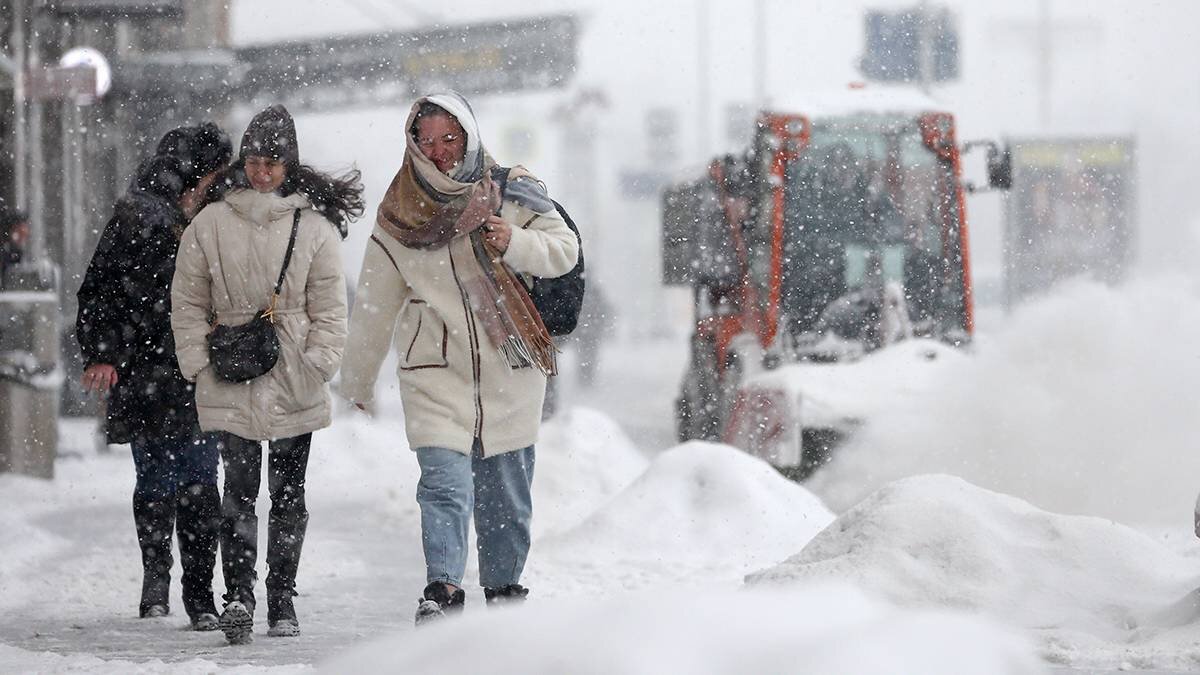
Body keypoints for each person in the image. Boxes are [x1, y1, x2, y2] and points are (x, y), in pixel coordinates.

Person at [340, 92, 578, 625]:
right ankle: (442, 590)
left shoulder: (511, 191)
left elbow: (564, 250)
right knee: (443, 486)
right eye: (426, 142)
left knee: (505, 497)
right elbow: (377, 302)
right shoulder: (399, 211)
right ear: (412, 145)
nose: (440, 153)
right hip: (434, 369)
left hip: (510, 364)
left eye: (450, 139)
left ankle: (503, 592)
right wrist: (356, 379)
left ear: (469, 137)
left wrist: (513, 239)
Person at [171, 104, 361, 644]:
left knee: (288, 495)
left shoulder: (316, 228)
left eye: (273, 162)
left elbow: (331, 307)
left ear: (289, 166)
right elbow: (186, 300)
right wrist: (197, 363)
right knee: (238, 492)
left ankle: (281, 598)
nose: (261, 171)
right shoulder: (209, 224)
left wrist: (319, 361)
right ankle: (240, 596)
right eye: (254, 159)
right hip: (230, 372)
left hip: (293, 374)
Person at [75, 122, 232, 630]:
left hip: (167, 372)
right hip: (165, 371)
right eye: (215, 173)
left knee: (169, 480)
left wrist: (106, 351)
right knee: (190, 482)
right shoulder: (146, 216)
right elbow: (104, 289)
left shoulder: (180, 214)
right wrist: (104, 351)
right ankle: (187, 590)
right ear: (198, 171)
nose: (218, 183)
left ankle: (167, 584)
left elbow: (99, 288)